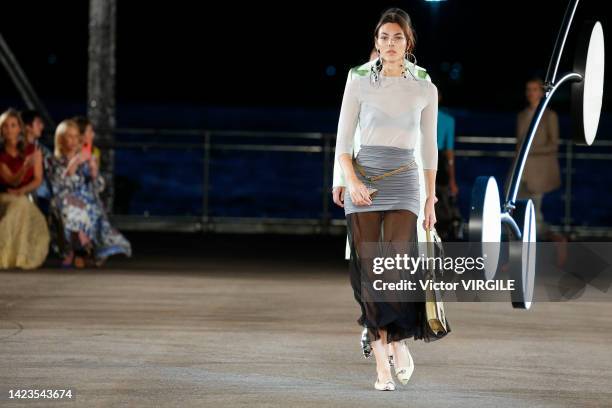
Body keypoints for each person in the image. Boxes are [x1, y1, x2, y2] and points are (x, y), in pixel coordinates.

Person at [333, 8, 449, 391]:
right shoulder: (358, 78)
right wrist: (351, 182)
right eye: (384, 37)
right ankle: (382, 360)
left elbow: (429, 147)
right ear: (376, 41)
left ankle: (397, 340)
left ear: (408, 41)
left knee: (394, 269)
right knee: (369, 274)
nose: (390, 43)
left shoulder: (424, 84)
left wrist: (431, 198)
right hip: (363, 176)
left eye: (397, 37)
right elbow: (344, 139)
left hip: (405, 180)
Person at [49, 119, 131, 268]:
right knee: (70, 209)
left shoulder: (86, 158)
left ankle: (85, 251)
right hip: (65, 199)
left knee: (88, 208)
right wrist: (73, 165)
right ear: (61, 139)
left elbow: (99, 187)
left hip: (86, 199)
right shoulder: (55, 161)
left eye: (76, 136)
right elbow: (60, 186)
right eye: (69, 136)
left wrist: (94, 172)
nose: (74, 141)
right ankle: (77, 250)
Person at [0, 108, 50, 269]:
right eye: (5, 126)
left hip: (22, 196)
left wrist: (23, 191)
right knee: (18, 205)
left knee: (20, 205)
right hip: (4, 195)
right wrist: (24, 167)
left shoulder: (32, 150)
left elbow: (37, 179)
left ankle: (18, 256)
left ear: (20, 128)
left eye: (13, 125)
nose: (9, 129)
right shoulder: (1, 153)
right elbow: (11, 181)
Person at [515, 77, 561, 239]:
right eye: (528, 89)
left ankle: (552, 243)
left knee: (535, 212)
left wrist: (529, 150)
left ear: (541, 92)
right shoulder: (521, 115)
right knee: (517, 210)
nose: (530, 93)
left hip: (539, 173)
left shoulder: (550, 116)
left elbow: (553, 145)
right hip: (521, 171)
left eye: (534, 89)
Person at [21, 109, 54, 200]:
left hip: (45, 194)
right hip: (30, 194)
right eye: (38, 123)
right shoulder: (17, 149)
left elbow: (53, 167)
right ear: (28, 127)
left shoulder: (43, 149)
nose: (42, 126)